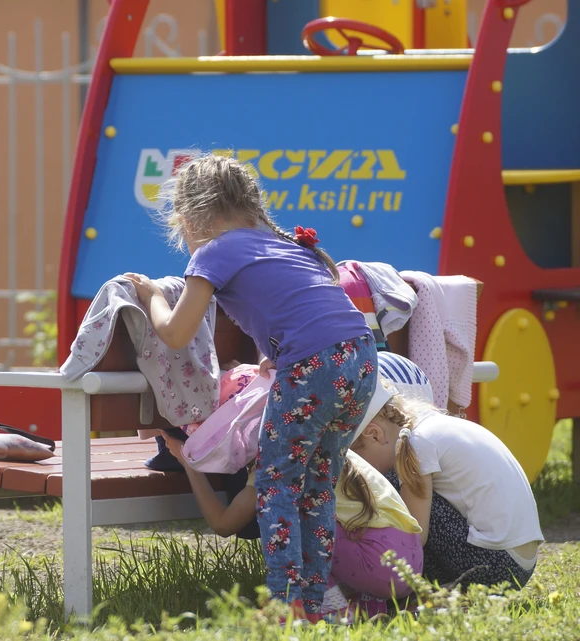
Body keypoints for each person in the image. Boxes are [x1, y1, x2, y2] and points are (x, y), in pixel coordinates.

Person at [124, 154, 378, 619]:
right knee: (318, 485)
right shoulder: (282, 245)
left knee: (277, 484)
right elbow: (307, 310)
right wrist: (276, 352)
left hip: (312, 366)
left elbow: (177, 333)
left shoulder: (215, 252)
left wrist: (153, 296)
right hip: (361, 360)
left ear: (190, 217)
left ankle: (286, 604)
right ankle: (317, 600)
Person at [161, 373, 422, 620]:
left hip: (378, 563)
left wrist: (189, 464)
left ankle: (328, 609)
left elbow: (223, 524)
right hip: (409, 560)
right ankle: (368, 607)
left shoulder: (276, 460)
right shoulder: (321, 441)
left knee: (283, 512)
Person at [351, 379, 543, 589]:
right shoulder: (432, 425)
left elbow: (415, 536)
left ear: (374, 434)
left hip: (496, 564)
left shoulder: (416, 443)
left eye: (358, 457)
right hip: (520, 566)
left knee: (390, 481)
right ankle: (447, 587)